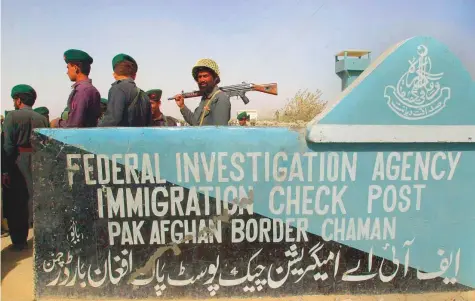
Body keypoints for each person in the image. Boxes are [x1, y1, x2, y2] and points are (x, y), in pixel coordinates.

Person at [2, 85, 48, 250]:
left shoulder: (12, 117)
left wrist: (5, 170)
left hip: (17, 162)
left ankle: (19, 241)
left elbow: (7, 146)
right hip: (37, 159)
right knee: (36, 198)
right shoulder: (41, 118)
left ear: (18, 100)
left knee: (17, 201)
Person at [50, 49, 101, 128]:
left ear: (75, 68)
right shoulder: (90, 89)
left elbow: (74, 124)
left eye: (68, 67)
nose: (67, 72)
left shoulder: (82, 91)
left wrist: (56, 123)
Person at [98, 53, 152, 127]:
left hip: (122, 138)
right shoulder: (144, 95)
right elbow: (148, 124)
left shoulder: (117, 88)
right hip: (139, 138)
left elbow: (111, 121)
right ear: (135, 75)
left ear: (114, 74)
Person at [173, 58, 231, 126]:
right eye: (199, 77)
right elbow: (194, 122)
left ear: (215, 78)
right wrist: (182, 106)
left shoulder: (220, 98)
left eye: (205, 76)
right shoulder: (205, 99)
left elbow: (219, 132)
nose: (202, 80)